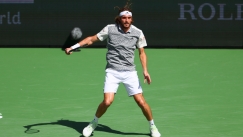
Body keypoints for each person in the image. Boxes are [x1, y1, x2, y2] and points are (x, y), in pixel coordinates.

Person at [65, 2, 161, 137]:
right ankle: (93, 123)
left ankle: (153, 126)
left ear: (131, 19)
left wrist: (145, 71)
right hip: (112, 71)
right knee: (107, 101)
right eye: (124, 18)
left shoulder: (138, 32)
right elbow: (91, 39)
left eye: (128, 18)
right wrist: (73, 47)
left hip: (130, 72)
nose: (126, 20)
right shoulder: (110, 29)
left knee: (141, 102)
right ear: (119, 18)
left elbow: (142, 53)